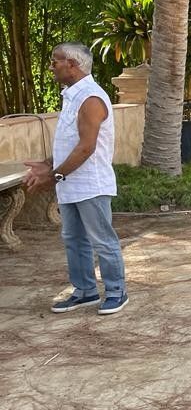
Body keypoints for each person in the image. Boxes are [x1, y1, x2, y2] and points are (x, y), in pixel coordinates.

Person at [25, 43, 129, 314]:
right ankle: (85, 291)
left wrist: (53, 175)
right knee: (73, 238)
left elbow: (86, 147)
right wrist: (48, 164)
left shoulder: (91, 98)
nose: (51, 66)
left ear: (72, 64)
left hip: (90, 185)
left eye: (55, 60)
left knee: (102, 240)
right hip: (70, 184)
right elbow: (70, 142)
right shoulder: (72, 95)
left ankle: (117, 291)